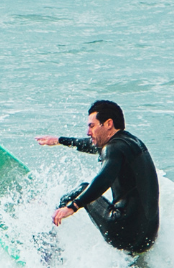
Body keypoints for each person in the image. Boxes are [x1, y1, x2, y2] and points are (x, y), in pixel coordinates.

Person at [36, 100, 160, 254]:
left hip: (121, 231)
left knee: (82, 189)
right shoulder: (131, 143)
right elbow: (92, 144)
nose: (88, 132)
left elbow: (104, 179)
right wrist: (59, 140)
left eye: (92, 126)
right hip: (147, 237)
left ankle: (47, 237)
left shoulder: (113, 148)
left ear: (108, 124)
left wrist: (72, 206)